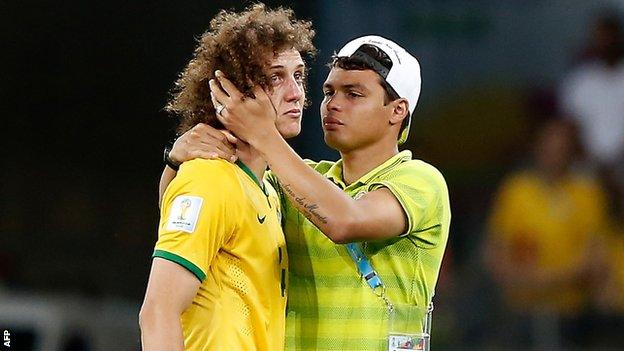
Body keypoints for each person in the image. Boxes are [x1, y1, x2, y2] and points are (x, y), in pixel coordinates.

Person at [163, 35, 451, 350]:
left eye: (353, 94)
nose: (333, 104)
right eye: (329, 92)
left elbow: (345, 222)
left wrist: (263, 133)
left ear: (397, 111)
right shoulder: (294, 181)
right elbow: (185, 214)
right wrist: (176, 161)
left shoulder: (421, 181)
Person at [139, 4, 315, 351]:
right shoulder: (209, 178)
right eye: (275, 77)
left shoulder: (269, 189)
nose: (296, 93)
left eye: (298, 75)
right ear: (231, 91)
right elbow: (157, 312)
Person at [484, 118, 610, 349]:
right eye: (548, 147)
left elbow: (596, 259)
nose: (553, 155)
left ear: (572, 151)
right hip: (520, 315)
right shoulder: (516, 191)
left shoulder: (587, 193)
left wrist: (540, 281)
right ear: (536, 147)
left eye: (561, 149)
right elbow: (496, 252)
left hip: (573, 317)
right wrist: (527, 281)